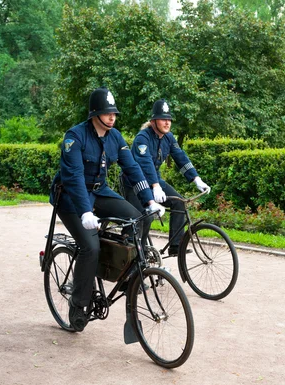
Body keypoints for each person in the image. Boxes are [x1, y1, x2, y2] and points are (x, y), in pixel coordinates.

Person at [49, 87, 165, 332]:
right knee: (90, 248)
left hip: (99, 191)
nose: (112, 117)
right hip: (71, 199)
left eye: (114, 113)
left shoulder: (115, 137)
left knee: (138, 219)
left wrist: (149, 201)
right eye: (107, 112)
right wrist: (85, 212)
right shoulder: (75, 137)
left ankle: (125, 272)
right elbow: (74, 178)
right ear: (94, 114)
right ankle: (78, 305)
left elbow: (133, 169)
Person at [122, 99, 210, 257]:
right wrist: (155, 186)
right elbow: (145, 163)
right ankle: (131, 254)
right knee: (141, 218)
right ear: (153, 121)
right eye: (163, 119)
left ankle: (176, 245)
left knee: (178, 202)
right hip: (134, 183)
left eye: (169, 119)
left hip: (154, 180)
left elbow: (180, 157)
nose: (167, 122)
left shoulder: (169, 138)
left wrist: (196, 179)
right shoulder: (143, 138)